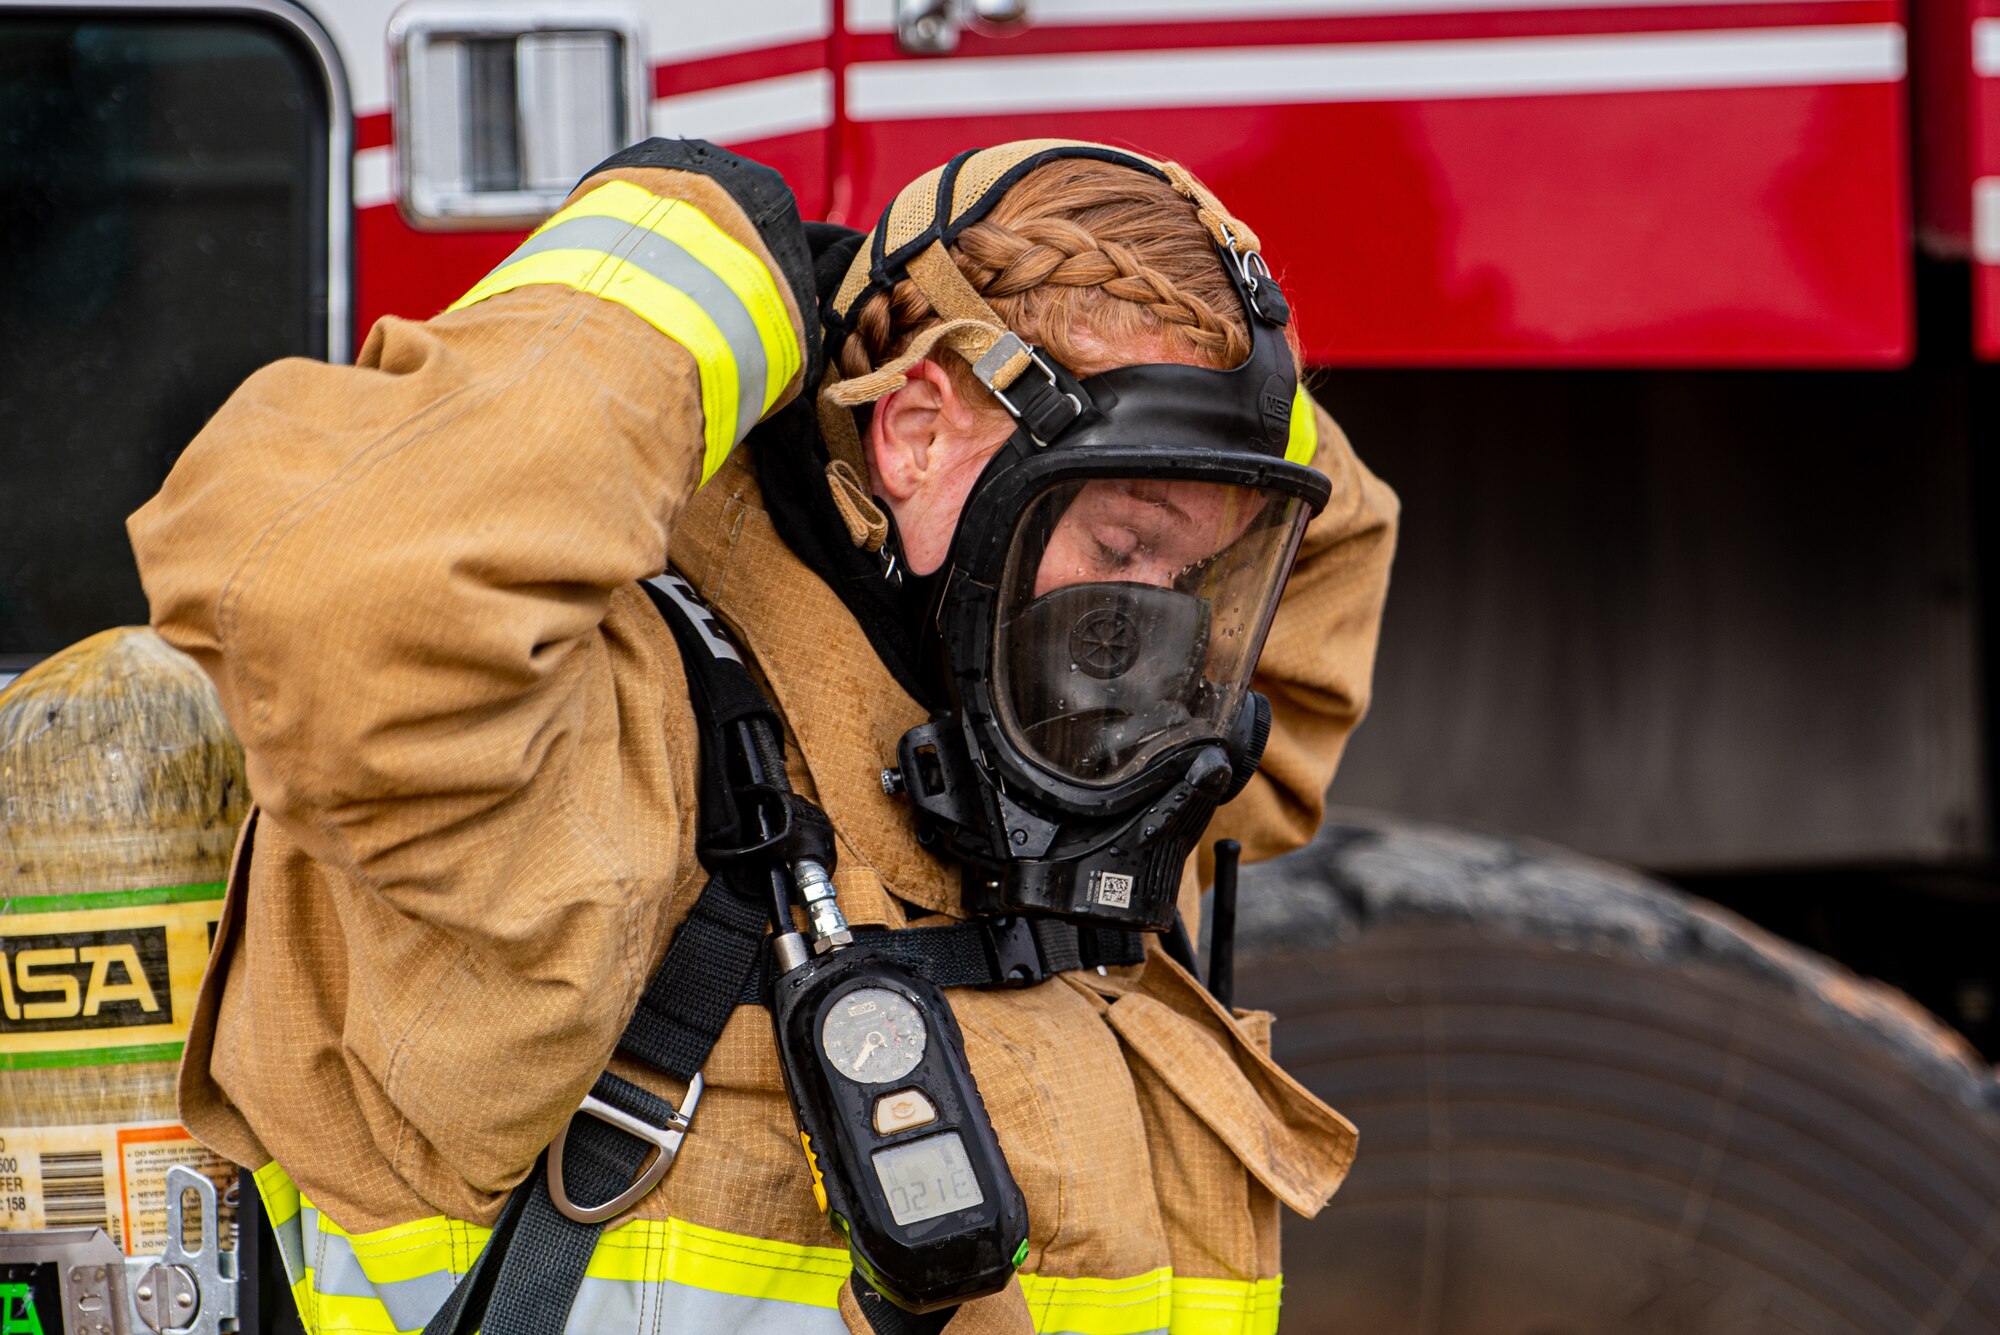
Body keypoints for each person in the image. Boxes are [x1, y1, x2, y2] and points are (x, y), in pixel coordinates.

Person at [129, 138, 1398, 1335]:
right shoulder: (602, 735)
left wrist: (1157, 390)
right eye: (1120, 550)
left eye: (1194, 575)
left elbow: (1332, 540)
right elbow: (341, 598)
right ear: (908, 427)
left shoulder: (1079, 772)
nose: (1154, 635)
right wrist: (683, 274)